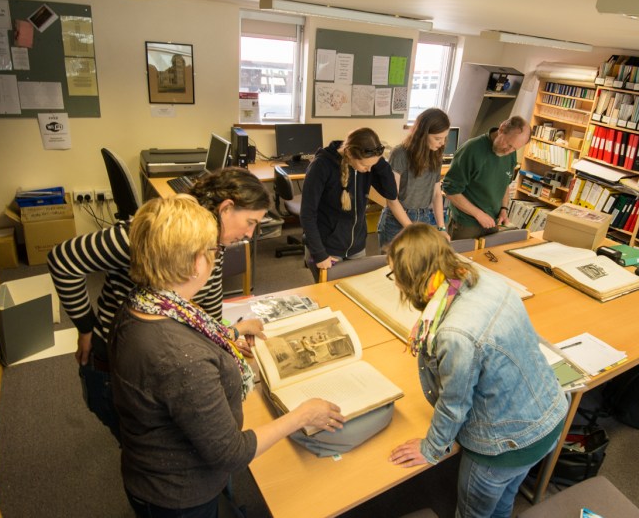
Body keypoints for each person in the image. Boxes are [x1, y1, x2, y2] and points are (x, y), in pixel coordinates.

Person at [110, 196, 345, 518]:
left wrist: (231, 332)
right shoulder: (183, 359)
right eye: (214, 250)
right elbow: (231, 453)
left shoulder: (145, 302)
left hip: (151, 469)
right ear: (196, 262)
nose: (216, 257)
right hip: (179, 495)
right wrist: (302, 415)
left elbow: (181, 343)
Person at [47, 167, 270, 440]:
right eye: (250, 222)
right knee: (153, 444)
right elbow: (63, 259)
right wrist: (85, 327)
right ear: (226, 208)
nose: (250, 233)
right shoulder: (162, 231)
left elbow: (203, 311)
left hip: (165, 357)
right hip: (121, 362)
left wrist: (226, 336)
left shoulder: (212, 239)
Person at [385, 224, 568, 518]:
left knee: (473, 514)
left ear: (413, 277)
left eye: (395, 276)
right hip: (548, 416)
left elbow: (454, 404)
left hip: (505, 446)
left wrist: (430, 449)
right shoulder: (484, 280)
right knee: (504, 501)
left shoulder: (455, 334)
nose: (395, 284)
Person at [300, 127, 397, 272]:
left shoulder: (367, 165)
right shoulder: (321, 166)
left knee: (354, 286)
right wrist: (319, 254)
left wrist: (379, 161)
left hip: (357, 247)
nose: (369, 170)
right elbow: (307, 214)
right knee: (330, 287)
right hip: (327, 248)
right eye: (365, 165)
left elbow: (391, 193)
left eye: (373, 165)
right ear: (350, 154)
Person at [441, 116, 532, 240]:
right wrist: (479, 215)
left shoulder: (510, 153)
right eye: (508, 144)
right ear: (501, 129)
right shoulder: (471, 149)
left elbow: (504, 183)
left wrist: (504, 209)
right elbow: (450, 191)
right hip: (467, 224)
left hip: (493, 222)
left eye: (514, 149)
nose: (508, 151)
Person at [376, 108, 451, 248]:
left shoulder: (436, 155)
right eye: (437, 138)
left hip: (423, 217)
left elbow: (436, 194)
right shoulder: (400, 154)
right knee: (393, 261)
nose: (442, 143)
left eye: (444, 138)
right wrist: (412, 229)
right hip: (397, 220)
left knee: (418, 260)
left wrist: (441, 227)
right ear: (422, 134)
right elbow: (392, 200)